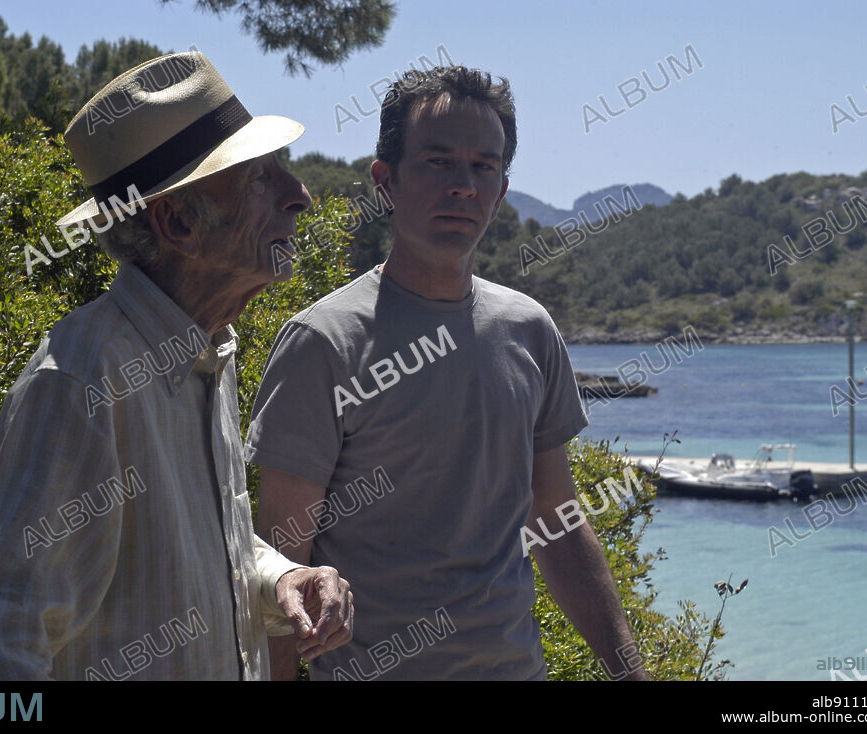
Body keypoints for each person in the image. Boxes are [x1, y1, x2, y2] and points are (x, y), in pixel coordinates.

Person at [0, 51, 353, 681]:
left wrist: (281, 577)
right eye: (258, 179)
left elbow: (199, 541)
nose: (299, 196)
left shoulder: (208, 348)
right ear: (176, 222)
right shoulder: (78, 383)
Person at [245, 65, 647, 681]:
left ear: (502, 189)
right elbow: (280, 569)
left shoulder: (529, 330)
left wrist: (631, 673)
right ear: (386, 181)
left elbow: (559, 525)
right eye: (438, 162)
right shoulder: (324, 342)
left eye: (482, 166)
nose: (463, 185)